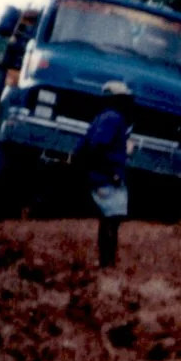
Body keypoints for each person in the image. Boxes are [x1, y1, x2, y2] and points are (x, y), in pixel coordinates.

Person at [79, 82, 135, 268]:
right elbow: (98, 145)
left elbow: (86, 146)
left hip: (101, 175)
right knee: (112, 220)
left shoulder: (102, 117)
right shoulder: (114, 118)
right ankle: (107, 262)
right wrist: (111, 171)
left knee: (109, 219)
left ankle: (106, 261)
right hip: (107, 177)